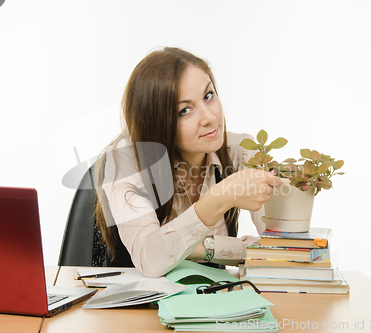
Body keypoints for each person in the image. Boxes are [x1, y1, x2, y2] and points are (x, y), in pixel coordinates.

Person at [94, 47, 281, 278]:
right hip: (135, 304)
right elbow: (150, 259)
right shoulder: (126, 160)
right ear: (157, 123)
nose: (210, 118)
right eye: (185, 110)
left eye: (208, 96)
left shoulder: (239, 150)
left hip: (213, 300)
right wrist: (220, 200)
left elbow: (284, 245)